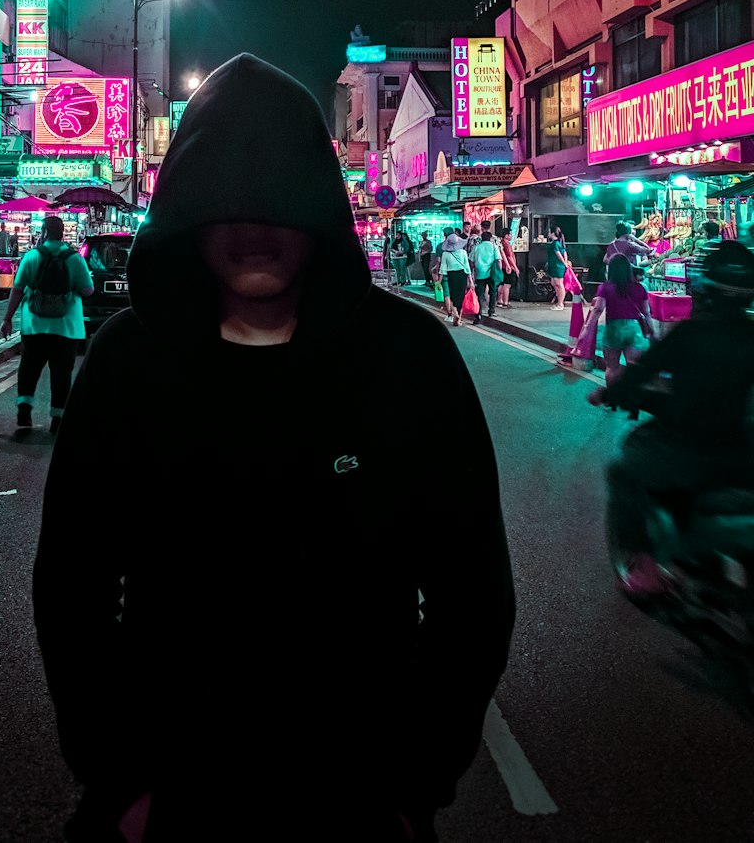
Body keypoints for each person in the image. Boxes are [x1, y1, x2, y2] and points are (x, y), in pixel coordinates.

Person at [33, 54, 514, 843]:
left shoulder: (406, 357)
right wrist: (120, 779)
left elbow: (474, 596)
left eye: (280, 202)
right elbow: (72, 584)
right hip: (167, 796)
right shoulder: (132, 359)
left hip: (355, 800)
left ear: (321, 210)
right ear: (186, 211)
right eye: (223, 201)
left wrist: (413, 781)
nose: (253, 228)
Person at [588, 240, 754, 597]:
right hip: (743, 457)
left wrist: (607, 392)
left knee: (624, 471)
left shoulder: (690, 334)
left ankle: (646, 566)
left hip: (688, 451)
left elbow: (640, 372)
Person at [1, 215, 95, 434]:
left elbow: (17, 289)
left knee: (29, 368)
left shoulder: (32, 256)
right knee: (61, 373)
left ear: (43, 232)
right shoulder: (75, 259)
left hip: (34, 325)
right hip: (66, 328)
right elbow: (88, 290)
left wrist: (7, 319)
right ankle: (58, 418)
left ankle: (24, 412)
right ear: (62, 233)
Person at [584, 254, 654, 392]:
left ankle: (612, 399)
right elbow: (646, 312)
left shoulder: (606, 287)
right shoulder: (640, 288)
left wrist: (587, 328)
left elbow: (598, 309)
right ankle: (632, 401)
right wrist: (652, 330)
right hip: (634, 328)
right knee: (633, 367)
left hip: (613, 329)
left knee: (612, 367)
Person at [471, 228, 501, 320]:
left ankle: (478, 312)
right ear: (490, 238)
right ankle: (491, 311)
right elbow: (498, 260)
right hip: (491, 274)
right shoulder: (493, 246)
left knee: (479, 294)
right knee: (492, 292)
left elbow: (471, 261)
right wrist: (499, 271)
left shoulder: (476, 247)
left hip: (480, 274)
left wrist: (473, 272)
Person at [546, 226, 570, 309]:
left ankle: (560, 303)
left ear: (553, 233)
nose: (548, 234)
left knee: (559, 284)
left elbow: (558, 253)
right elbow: (564, 252)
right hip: (554, 265)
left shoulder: (555, 243)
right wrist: (565, 262)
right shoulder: (559, 242)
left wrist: (564, 263)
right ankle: (559, 302)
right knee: (554, 283)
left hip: (558, 266)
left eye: (549, 232)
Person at [497, 231, 519, 308]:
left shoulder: (500, 243)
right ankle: (505, 302)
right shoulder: (506, 244)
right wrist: (515, 267)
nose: (511, 236)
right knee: (507, 285)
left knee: (502, 284)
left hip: (502, 266)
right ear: (506, 235)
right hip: (508, 267)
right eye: (510, 234)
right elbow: (509, 256)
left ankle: (500, 301)